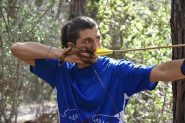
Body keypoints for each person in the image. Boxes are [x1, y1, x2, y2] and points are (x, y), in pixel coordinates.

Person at [11, 16, 185, 123]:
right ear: (72, 46)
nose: (95, 46)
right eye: (87, 41)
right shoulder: (60, 70)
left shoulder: (118, 71)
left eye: (98, 39)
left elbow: (162, 71)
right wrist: (61, 54)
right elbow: (16, 48)